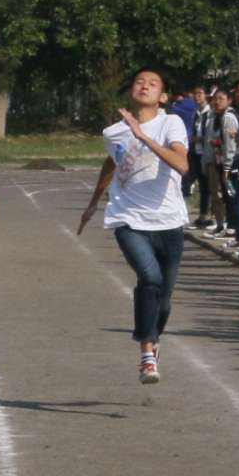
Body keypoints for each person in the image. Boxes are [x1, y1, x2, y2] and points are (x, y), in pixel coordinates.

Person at [74, 65, 192, 383]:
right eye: (140, 81)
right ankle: (146, 352)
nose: (145, 86)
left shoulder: (172, 123)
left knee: (164, 300)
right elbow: (112, 163)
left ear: (163, 95)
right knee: (149, 277)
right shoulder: (114, 132)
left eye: (153, 83)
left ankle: (153, 342)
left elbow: (182, 164)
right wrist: (93, 202)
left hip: (168, 221)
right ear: (132, 91)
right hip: (129, 218)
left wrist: (144, 137)